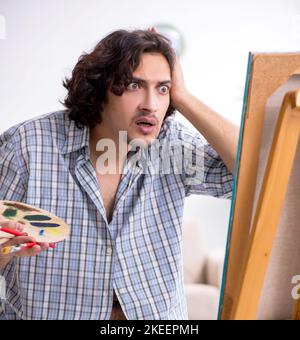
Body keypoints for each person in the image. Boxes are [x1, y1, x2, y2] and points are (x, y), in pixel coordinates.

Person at [0, 28, 239, 320]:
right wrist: (5, 251)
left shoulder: (170, 143)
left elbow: (253, 173)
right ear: (100, 88)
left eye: (163, 89)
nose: (151, 104)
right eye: (134, 85)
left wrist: (185, 97)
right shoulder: (27, 147)